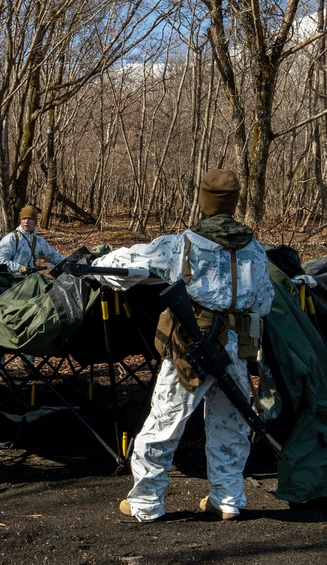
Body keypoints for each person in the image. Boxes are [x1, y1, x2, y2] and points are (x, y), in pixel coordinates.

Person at [89, 169, 275, 522]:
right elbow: (264, 303)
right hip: (234, 349)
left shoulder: (182, 245)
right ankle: (227, 499)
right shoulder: (255, 250)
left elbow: (124, 265)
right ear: (233, 203)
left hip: (191, 349)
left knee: (165, 422)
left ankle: (146, 502)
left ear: (203, 201)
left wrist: (93, 265)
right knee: (231, 424)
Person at [0, 205, 66, 273]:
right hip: (7, 277)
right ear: (20, 221)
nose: (26, 221)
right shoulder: (11, 238)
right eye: (24, 218)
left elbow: (52, 255)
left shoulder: (39, 241)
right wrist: (19, 268)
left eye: (30, 219)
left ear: (35, 222)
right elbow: (0, 261)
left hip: (27, 277)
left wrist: (67, 260)